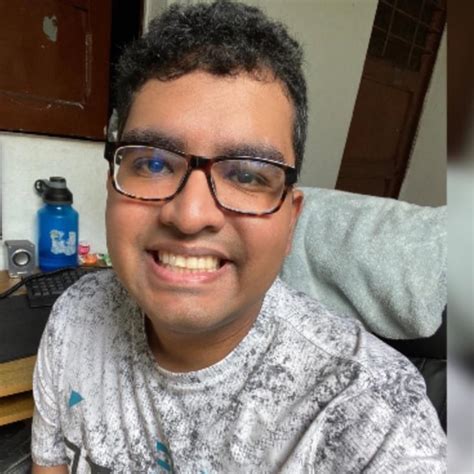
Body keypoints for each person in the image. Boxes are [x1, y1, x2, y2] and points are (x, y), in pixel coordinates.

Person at [31, 1, 447, 472]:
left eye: (247, 174)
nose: (190, 215)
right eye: (153, 163)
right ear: (112, 185)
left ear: (290, 221)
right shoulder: (76, 316)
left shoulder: (372, 418)